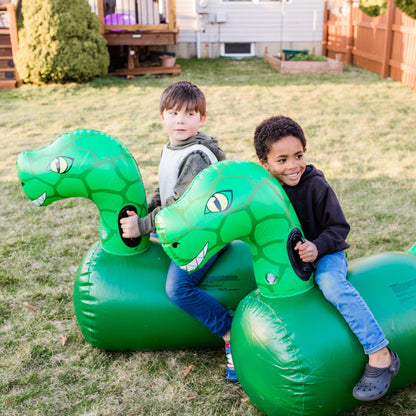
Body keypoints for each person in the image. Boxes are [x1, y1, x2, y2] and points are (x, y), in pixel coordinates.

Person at [253, 115, 400, 401]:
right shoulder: (267, 190)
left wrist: (317, 248)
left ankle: (380, 353)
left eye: (298, 156)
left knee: (330, 284)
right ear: (265, 164)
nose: (293, 165)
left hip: (326, 254)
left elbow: (339, 228)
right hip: (291, 261)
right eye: (282, 160)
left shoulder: (316, 185)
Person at [120, 80, 238, 382]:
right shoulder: (172, 147)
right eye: (173, 113)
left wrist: (144, 226)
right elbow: (165, 192)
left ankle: (230, 332)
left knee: (178, 289)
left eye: (189, 114)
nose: (180, 121)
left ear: (202, 119)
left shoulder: (197, 155)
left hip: (205, 235)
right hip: (184, 229)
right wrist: (145, 211)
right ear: (162, 117)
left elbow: (180, 206)